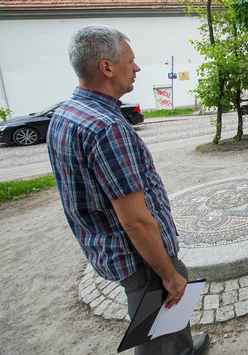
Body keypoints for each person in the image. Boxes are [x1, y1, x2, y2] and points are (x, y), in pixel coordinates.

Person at [46, 25, 209, 355]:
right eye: (131, 61)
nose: (136, 68)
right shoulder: (106, 128)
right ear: (107, 67)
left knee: (166, 330)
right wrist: (169, 274)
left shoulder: (65, 114)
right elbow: (135, 221)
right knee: (157, 337)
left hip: (111, 251)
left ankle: (184, 349)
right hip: (144, 260)